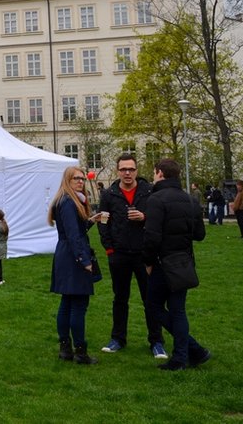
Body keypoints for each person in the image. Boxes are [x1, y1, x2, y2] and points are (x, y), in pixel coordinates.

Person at [96, 154, 167, 359]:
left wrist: (144, 217)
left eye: (131, 169)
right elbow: (103, 223)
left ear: (136, 171)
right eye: (123, 169)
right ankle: (118, 338)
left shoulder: (149, 192)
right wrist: (109, 249)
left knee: (151, 300)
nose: (127, 173)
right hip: (118, 255)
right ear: (117, 171)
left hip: (144, 255)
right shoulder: (109, 194)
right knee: (120, 298)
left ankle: (156, 341)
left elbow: (160, 219)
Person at [143, 158, 210, 370]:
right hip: (183, 261)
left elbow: (152, 236)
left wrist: (148, 262)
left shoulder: (156, 199)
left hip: (164, 262)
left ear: (160, 173)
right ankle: (188, 354)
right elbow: (199, 234)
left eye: (154, 172)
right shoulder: (190, 200)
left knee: (153, 305)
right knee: (177, 310)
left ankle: (188, 352)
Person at [49, 166, 99, 365]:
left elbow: (75, 230)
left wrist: (90, 221)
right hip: (72, 256)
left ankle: (66, 349)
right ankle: (79, 351)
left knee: (68, 303)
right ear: (67, 181)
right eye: (76, 178)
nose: (81, 181)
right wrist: (84, 260)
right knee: (77, 304)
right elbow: (72, 235)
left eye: (82, 178)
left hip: (66, 254)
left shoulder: (68, 201)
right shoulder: (68, 202)